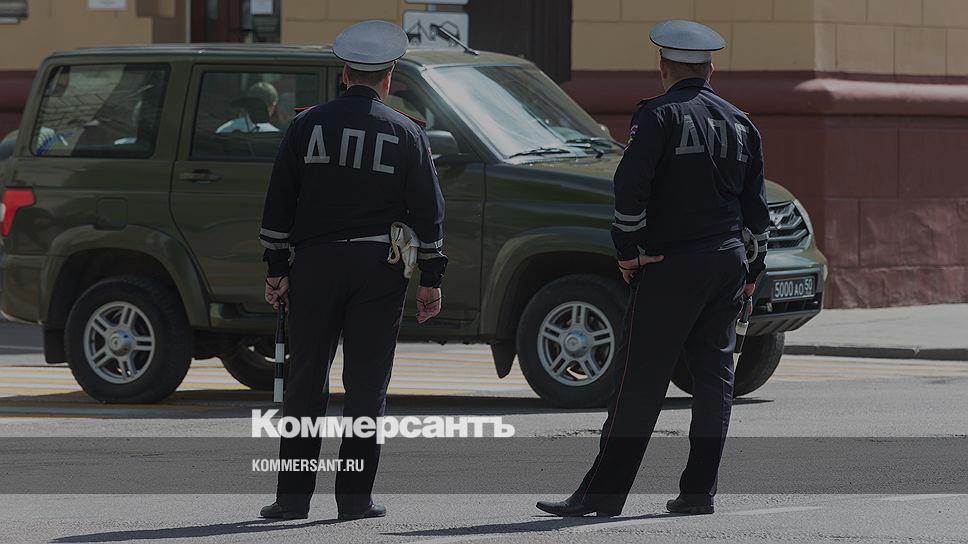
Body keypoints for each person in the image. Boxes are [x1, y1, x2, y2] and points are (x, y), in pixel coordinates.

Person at [536, 20, 771, 517]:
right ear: (711, 70)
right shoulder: (741, 123)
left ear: (663, 68)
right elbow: (757, 208)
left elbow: (630, 189)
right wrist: (753, 270)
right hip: (727, 261)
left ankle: (603, 495)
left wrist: (627, 249)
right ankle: (699, 492)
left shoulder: (658, 115)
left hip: (671, 263)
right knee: (715, 381)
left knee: (638, 381)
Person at [258, 20, 447, 520]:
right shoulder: (407, 132)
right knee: (366, 385)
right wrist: (431, 279)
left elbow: (279, 203)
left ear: (345, 74)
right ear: (389, 78)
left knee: (305, 382)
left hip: (314, 265)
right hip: (377, 269)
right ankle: (355, 499)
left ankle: (292, 499)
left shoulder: (306, 126)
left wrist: (276, 269)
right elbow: (428, 212)